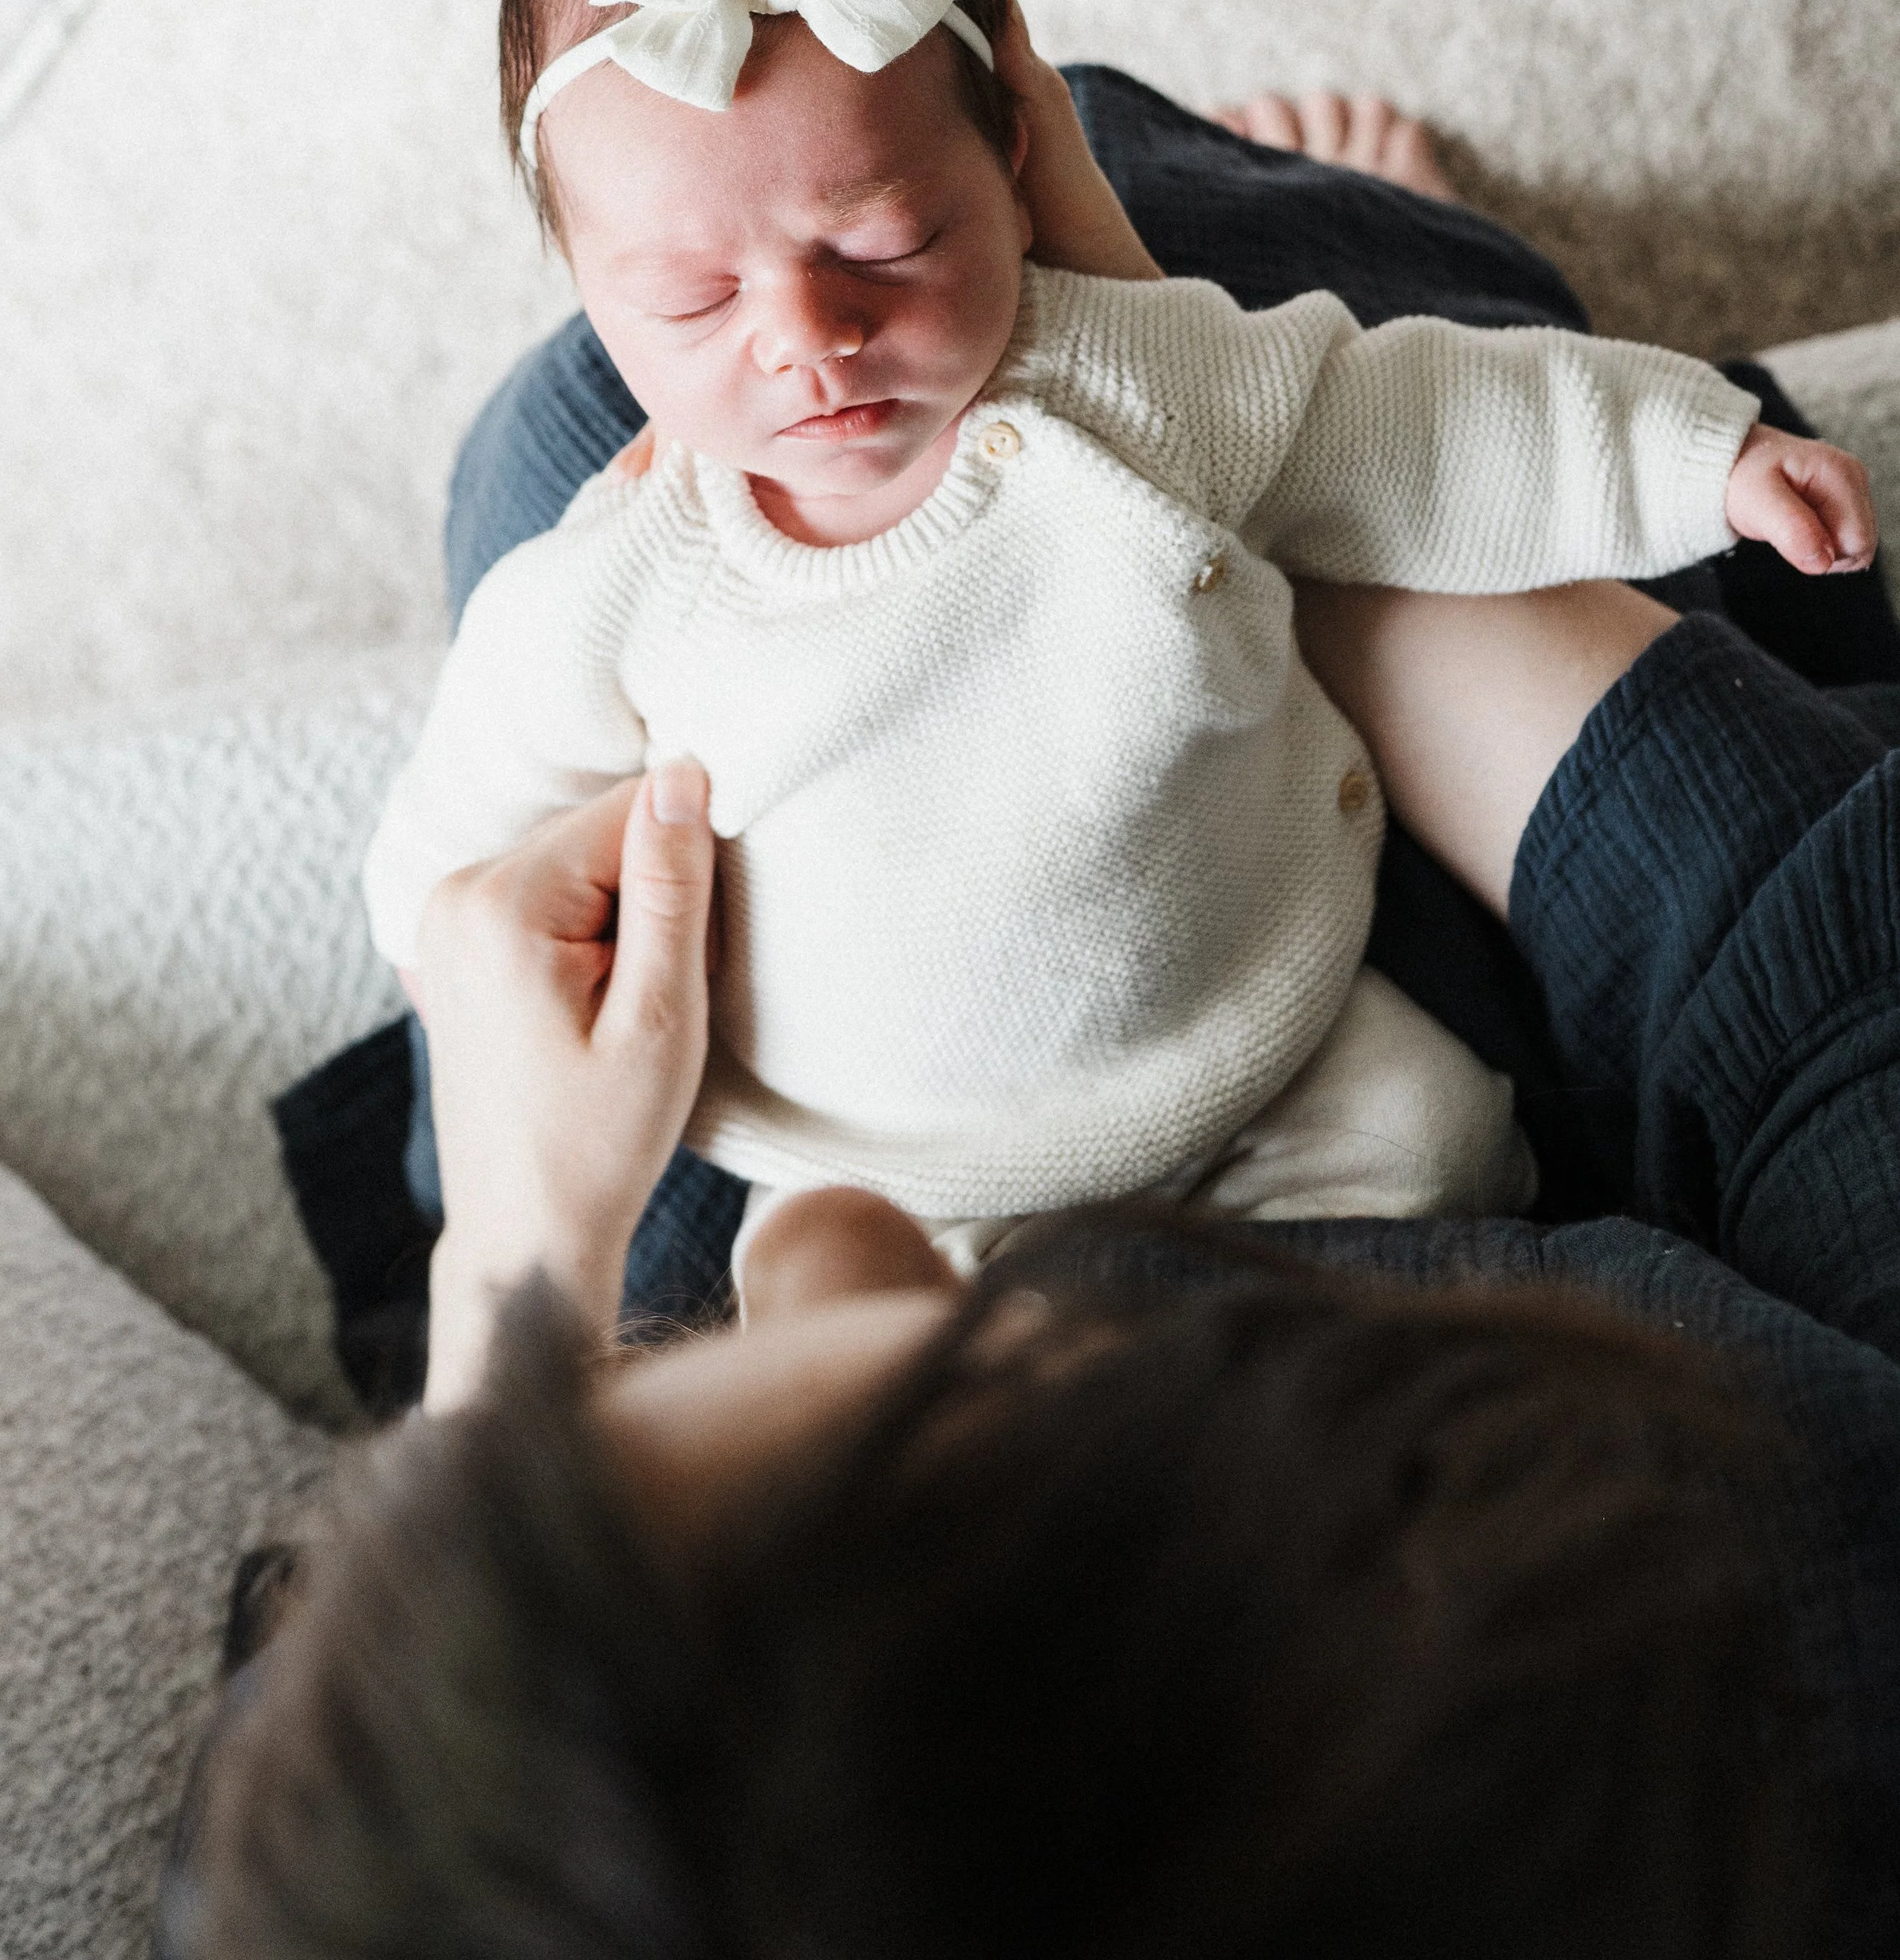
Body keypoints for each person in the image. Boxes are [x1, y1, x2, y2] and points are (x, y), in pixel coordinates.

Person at [357, 0, 1875, 1387]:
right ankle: (1386, 226)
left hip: (1260, 1037)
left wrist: (1693, 459)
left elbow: (1406, 427)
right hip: (887, 1159)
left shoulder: (1117, 386)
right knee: (806, 1259)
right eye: (684, 300)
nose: (805, 340)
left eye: (878, 244)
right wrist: (437, 963)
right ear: (590, 290)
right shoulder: (601, 589)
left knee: (1440, 1136)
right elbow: (452, 877)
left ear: (1008, 158)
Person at [193, 542, 1900, 1955]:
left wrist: (519, 1275)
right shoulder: (1769, 1585)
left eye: (663, 1370)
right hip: (1508, 1199)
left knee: (649, 508)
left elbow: (339, 1764)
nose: (816, 1238)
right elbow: (1823, 974)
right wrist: (1271, 538)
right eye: (952, 1364)